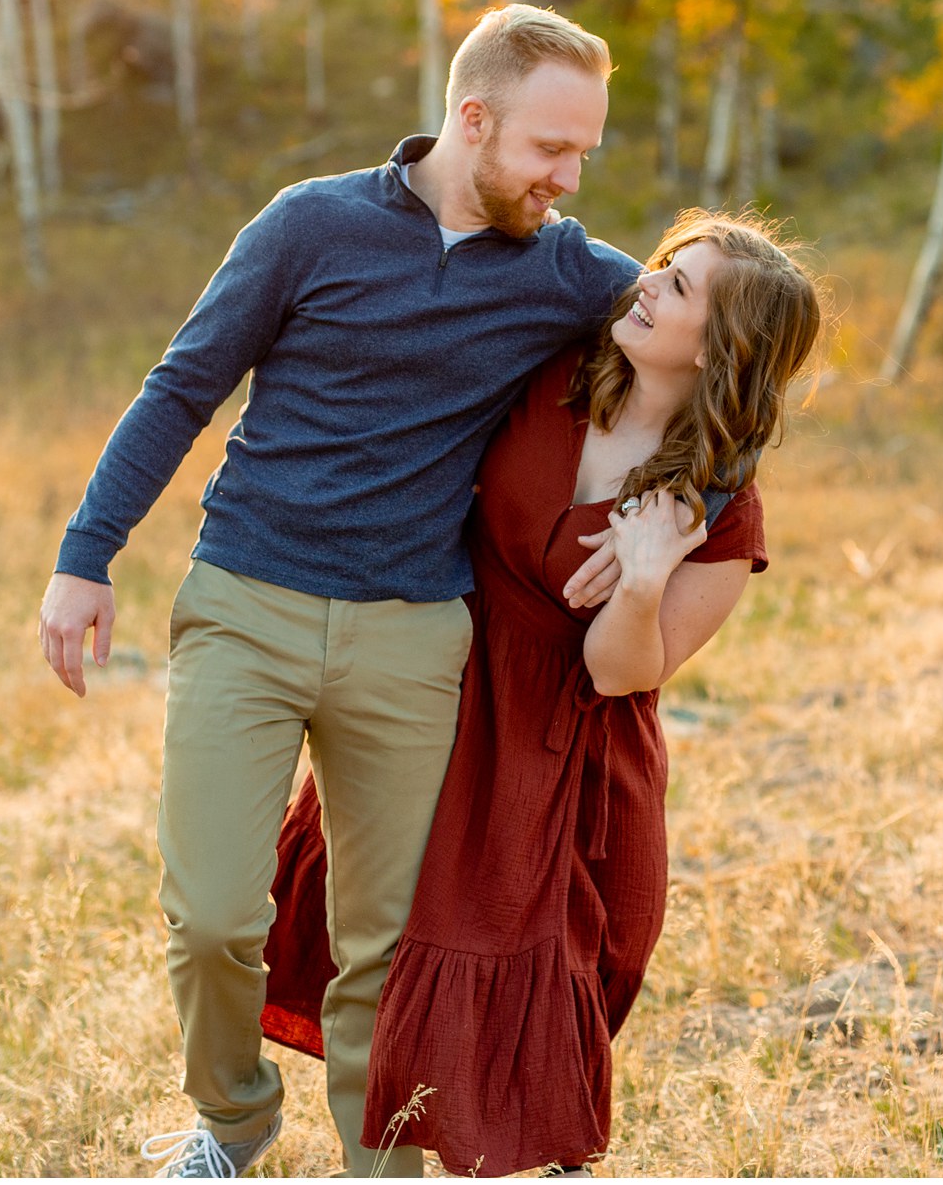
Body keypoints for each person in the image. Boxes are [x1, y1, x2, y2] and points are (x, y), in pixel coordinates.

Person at [36, 5, 643, 1179]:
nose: (569, 179)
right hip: (246, 605)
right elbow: (181, 388)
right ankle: (234, 1116)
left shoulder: (569, 270)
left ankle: (384, 1171)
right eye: (549, 150)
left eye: (584, 155)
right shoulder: (310, 225)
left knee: (386, 947)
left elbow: (702, 335)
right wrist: (84, 553)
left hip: (415, 638)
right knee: (214, 914)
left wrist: (693, 526)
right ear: (473, 120)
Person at [257, 209, 825, 1176]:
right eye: (661, 267)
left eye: (679, 288)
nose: (643, 284)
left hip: (574, 750)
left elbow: (620, 671)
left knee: (560, 980)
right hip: (444, 695)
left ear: (723, 347)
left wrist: (645, 574)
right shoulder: (548, 380)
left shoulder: (720, 507)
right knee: (390, 948)